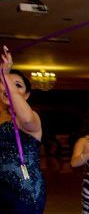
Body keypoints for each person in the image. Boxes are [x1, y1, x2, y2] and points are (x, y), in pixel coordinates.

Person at [0, 46, 46, 214]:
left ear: (26, 96)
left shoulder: (31, 118)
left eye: (16, 85)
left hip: (24, 191)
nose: (9, 88)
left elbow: (26, 119)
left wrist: (5, 75)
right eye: (4, 84)